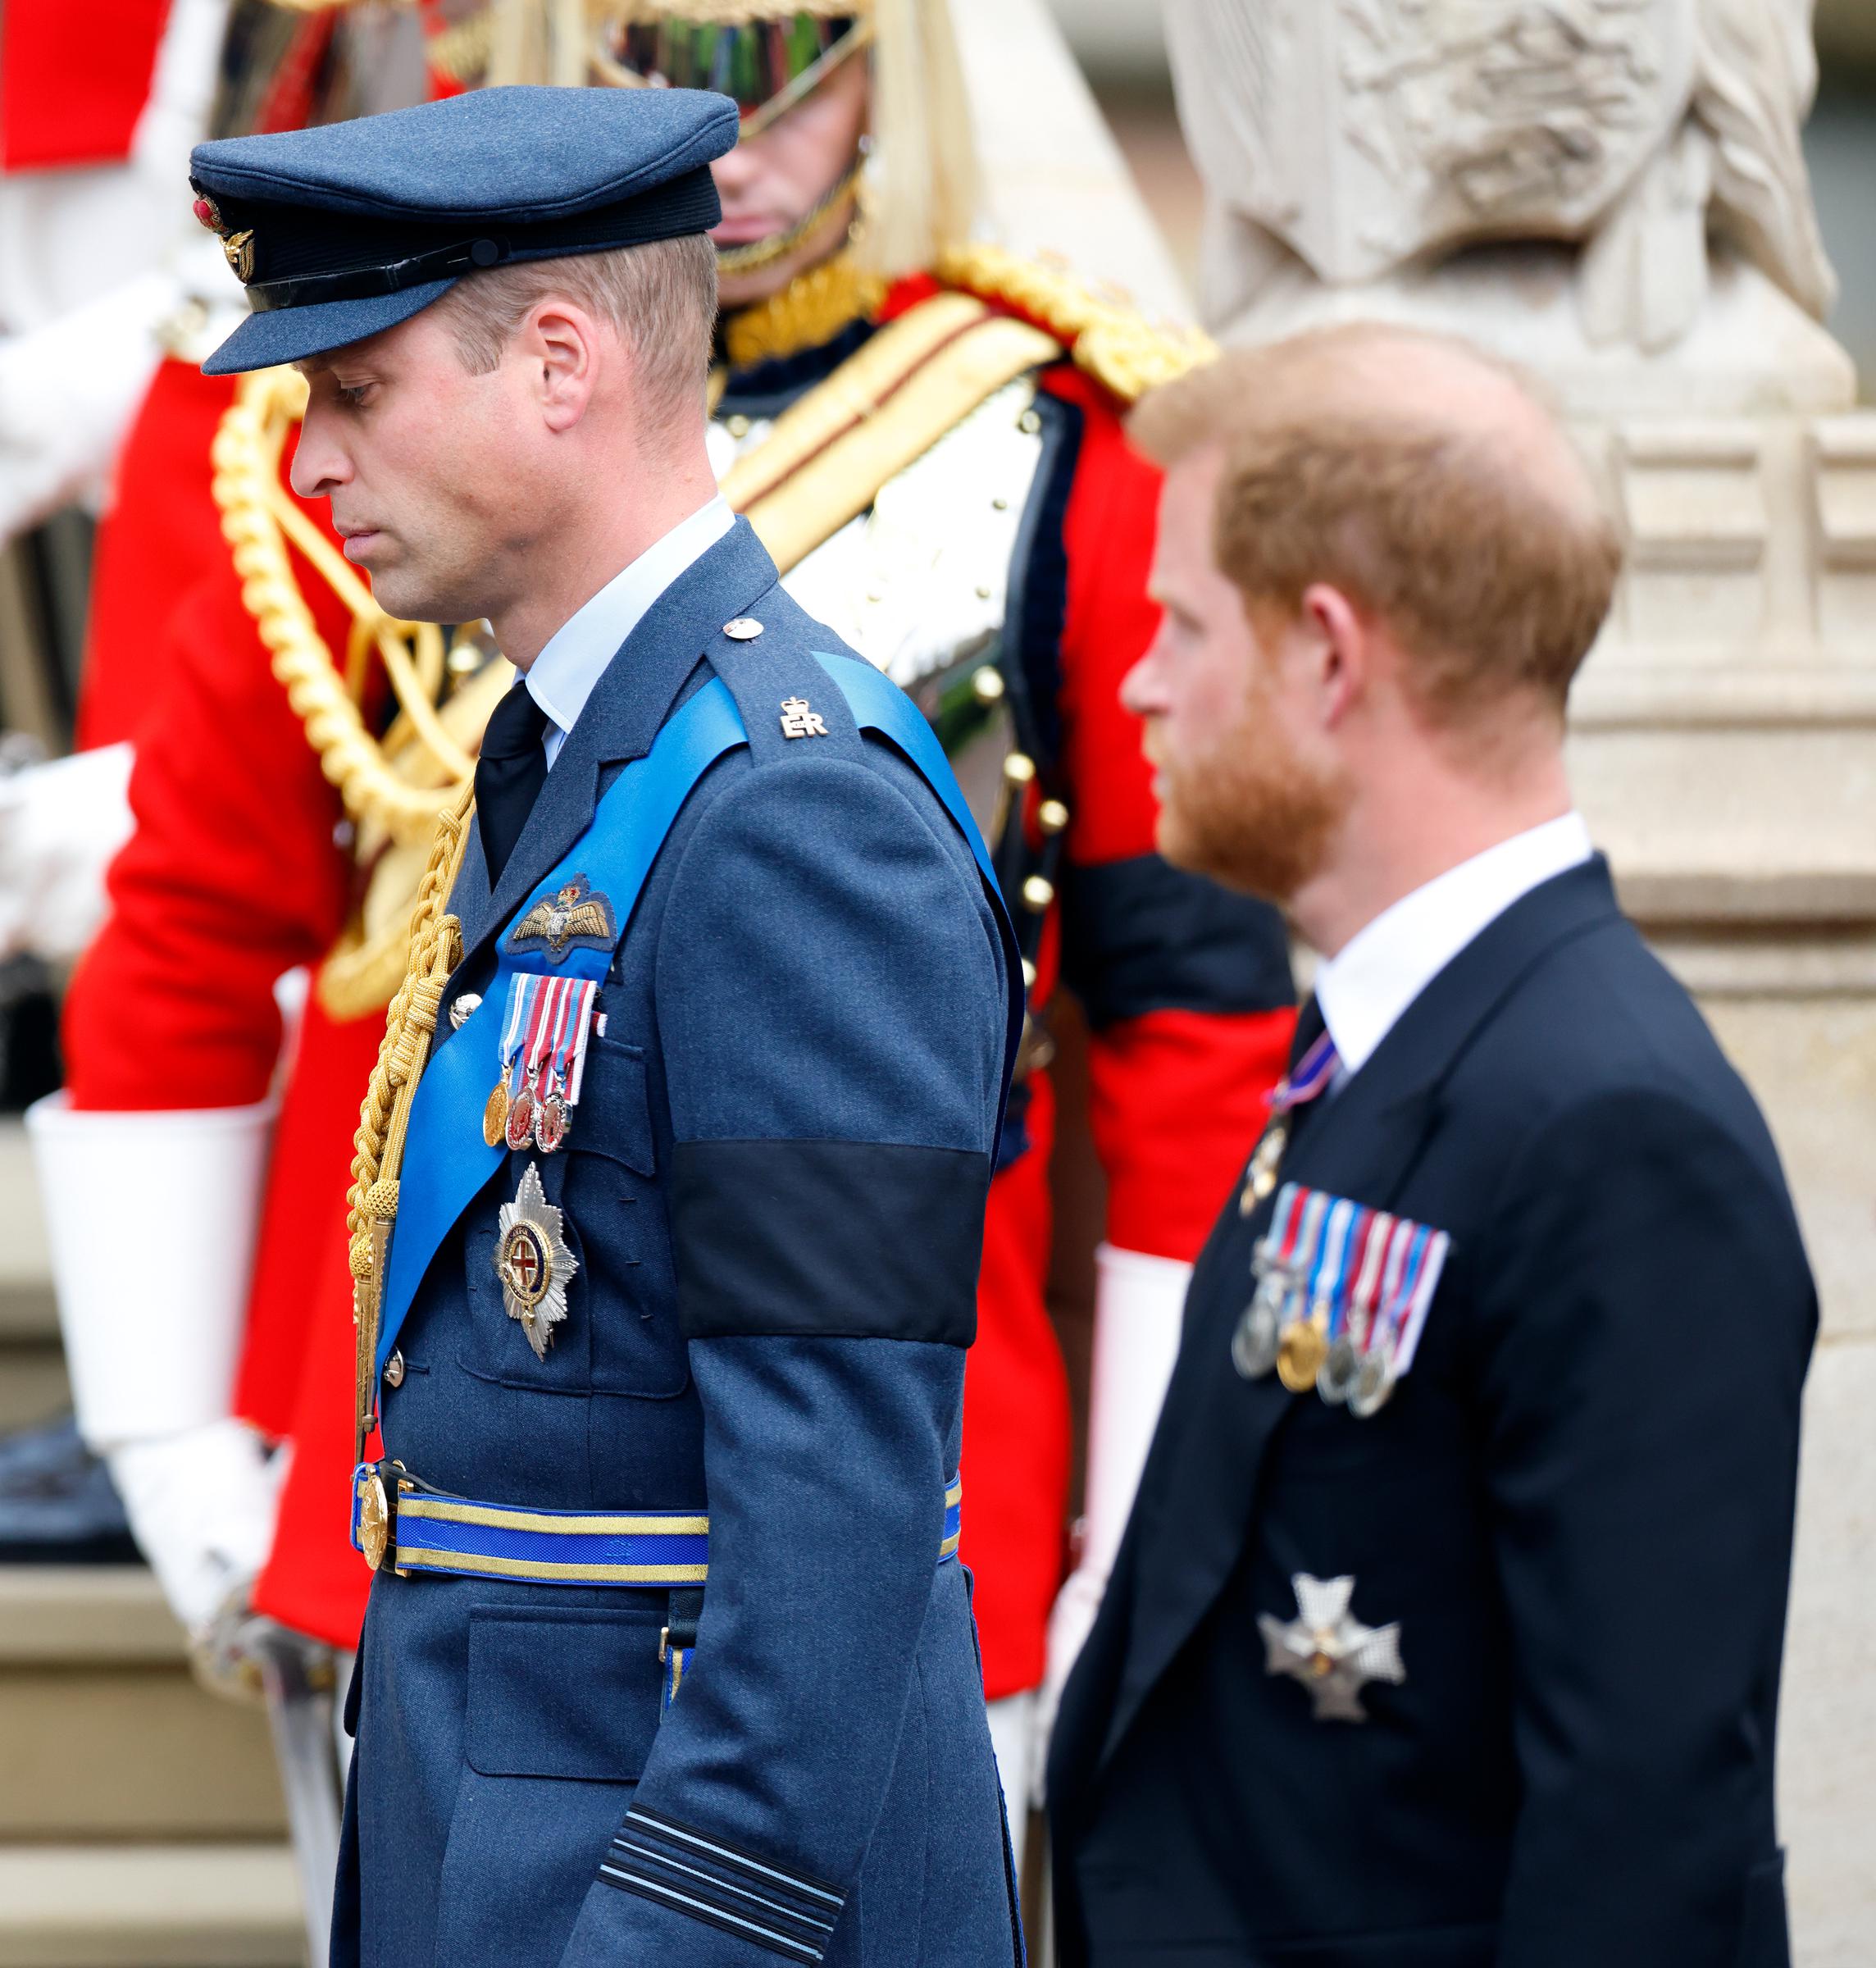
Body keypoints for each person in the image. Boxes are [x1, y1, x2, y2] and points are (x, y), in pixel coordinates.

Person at [37, 0, 1295, 1835]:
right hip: (414, 1478)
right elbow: (196, 927)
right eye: (673, 73)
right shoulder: (354, 431)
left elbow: (1188, 1024)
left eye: (809, 77)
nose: (747, 146)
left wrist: (1133, 1522)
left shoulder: (1053, 429)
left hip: (891, 1486)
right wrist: (168, 1431)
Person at [189, 80, 1027, 1965]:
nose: (308, 465)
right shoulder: (577, 759)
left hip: (685, 1905)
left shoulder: (787, 812)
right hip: (509, 1844)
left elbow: (832, 1526)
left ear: (558, 362)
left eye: (356, 389)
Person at [1046, 325, 1816, 1967]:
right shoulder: (1396, 1043)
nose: (1137, 682)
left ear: (1329, 655)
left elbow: (1640, 1853)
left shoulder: (1612, 1131)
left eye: (1180, 624)